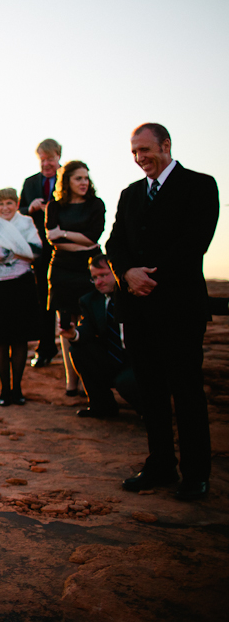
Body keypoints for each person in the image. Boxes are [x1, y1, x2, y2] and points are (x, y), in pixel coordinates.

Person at [106, 122, 220, 501]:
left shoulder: (201, 185)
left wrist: (149, 278)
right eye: (134, 152)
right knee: (150, 391)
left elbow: (195, 243)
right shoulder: (130, 194)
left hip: (179, 309)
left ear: (166, 145)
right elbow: (115, 241)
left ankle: (195, 473)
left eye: (145, 150)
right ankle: (160, 464)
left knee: (186, 391)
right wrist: (126, 274)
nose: (140, 159)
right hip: (137, 311)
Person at [45, 160, 105, 395]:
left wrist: (67, 234)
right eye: (78, 178)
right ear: (67, 181)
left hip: (88, 271)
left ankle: (93, 381)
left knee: (90, 322)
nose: (84, 182)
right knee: (66, 325)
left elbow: (93, 236)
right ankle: (71, 382)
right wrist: (82, 244)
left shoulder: (96, 204)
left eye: (86, 178)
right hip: (61, 270)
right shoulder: (55, 206)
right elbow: (52, 238)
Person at [0, 188, 42, 406]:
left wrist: (10, 251)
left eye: (9, 203)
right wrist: (19, 251)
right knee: (0, 338)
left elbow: (36, 251)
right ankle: (4, 389)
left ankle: (17, 388)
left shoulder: (26, 223)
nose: (5, 208)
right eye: (1, 204)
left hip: (22, 285)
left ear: (17, 203)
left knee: (20, 337)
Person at [59, 253, 138, 418]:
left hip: (138, 359)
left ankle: (149, 409)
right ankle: (102, 407)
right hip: (111, 357)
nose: (99, 281)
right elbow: (86, 329)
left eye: (103, 275)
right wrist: (73, 334)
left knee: (126, 382)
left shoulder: (135, 295)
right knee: (78, 350)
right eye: (94, 277)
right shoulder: (91, 300)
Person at [19, 139, 61, 368]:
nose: (46, 163)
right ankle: (45, 348)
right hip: (38, 251)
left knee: (65, 300)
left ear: (58, 157)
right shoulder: (30, 183)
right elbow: (18, 212)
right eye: (42, 159)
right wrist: (31, 208)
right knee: (42, 300)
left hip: (65, 248)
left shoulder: (71, 177)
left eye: (50, 159)